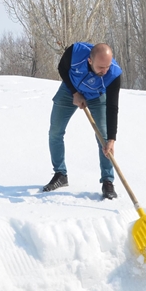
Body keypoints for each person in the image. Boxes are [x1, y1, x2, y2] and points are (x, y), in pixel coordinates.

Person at [42, 42, 122, 201]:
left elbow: (112, 107)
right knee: (55, 131)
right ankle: (60, 174)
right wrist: (75, 93)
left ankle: (107, 181)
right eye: (101, 68)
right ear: (90, 61)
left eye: (107, 66)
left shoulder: (114, 74)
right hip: (69, 90)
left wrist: (112, 139)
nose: (105, 71)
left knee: (104, 139)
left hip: (97, 97)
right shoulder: (75, 52)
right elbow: (62, 69)